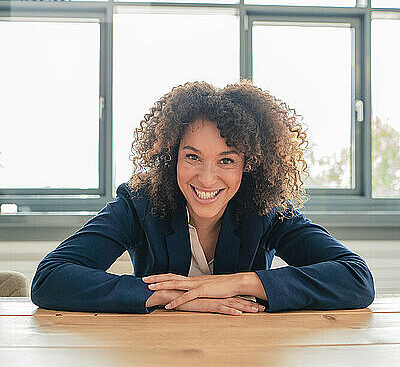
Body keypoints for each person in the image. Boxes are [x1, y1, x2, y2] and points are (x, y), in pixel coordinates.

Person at [31, 79, 375, 315]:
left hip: (246, 353)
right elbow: (50, 278)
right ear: (171, 156)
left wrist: (233, 284)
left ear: (249, 164)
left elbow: (356, 280)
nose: (206, 178)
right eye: (192, 157)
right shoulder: (139, 204)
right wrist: (168, 297)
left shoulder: (266, 211)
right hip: (156, 355)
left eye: (226, 160)